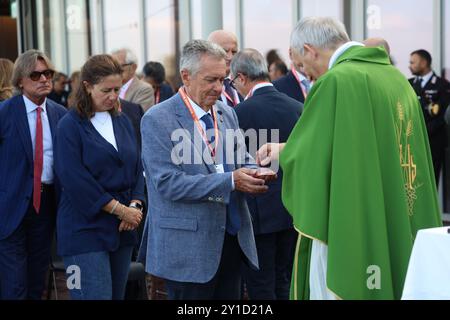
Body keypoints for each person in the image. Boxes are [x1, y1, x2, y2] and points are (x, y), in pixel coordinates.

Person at [257, 17, 442, 300]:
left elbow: (312, 157)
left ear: (309, 49)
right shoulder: (395, 78)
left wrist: (286, 155)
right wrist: (286, 147)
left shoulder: (336, 81)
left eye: (303, 66)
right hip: (397, 205)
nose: (308, 75)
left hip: (355, 216)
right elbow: (353, 144)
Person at [138, 40, 276, 300]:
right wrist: (232, 182)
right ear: (186, 76)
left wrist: (256, 172)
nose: (218, 88)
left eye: (223, 80)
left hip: (232, 241)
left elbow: (241, 159)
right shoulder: (157, 119)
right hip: (188, 250)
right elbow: (167, 183)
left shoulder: (226, 112)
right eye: (211, 79)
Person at [54, 54, 145, 300]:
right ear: (87, 86)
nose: (114, 96)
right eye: (106, 90)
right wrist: (120, 210)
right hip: (83, 230)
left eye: (117, 89)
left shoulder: (123, 120)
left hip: (123, 229)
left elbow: (137, 167)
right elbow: (75, 181)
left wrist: (135, 205)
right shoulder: (69, 126)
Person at [231, 48, 301, 300]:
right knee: (283, 281)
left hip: (256, 213)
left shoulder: (238, 113)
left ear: (241, 77)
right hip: (291, 210)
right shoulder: (297, 108)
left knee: (260, 286)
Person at [0, 50, 67, 299]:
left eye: (47, 73)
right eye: (36, 74)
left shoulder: (61, 115)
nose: (43, 79)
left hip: (46, 206)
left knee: (36, 282)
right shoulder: (5, 113)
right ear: (20, 80)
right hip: (11, 209)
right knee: (14, 286)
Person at [408, 49, 450, 184]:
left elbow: (442, 116)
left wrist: (423, 131)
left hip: (433, 142)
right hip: (412, 142)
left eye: (413, 62)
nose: (410, 65)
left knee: (431, 181)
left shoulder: (442, 85)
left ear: (424, 63)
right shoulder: (408, 84)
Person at [208, 30, 243, 107]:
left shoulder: (243, 83)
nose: (230, 57)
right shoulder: (202, 87)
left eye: (234, 52)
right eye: (224, 51)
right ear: (209, 52)